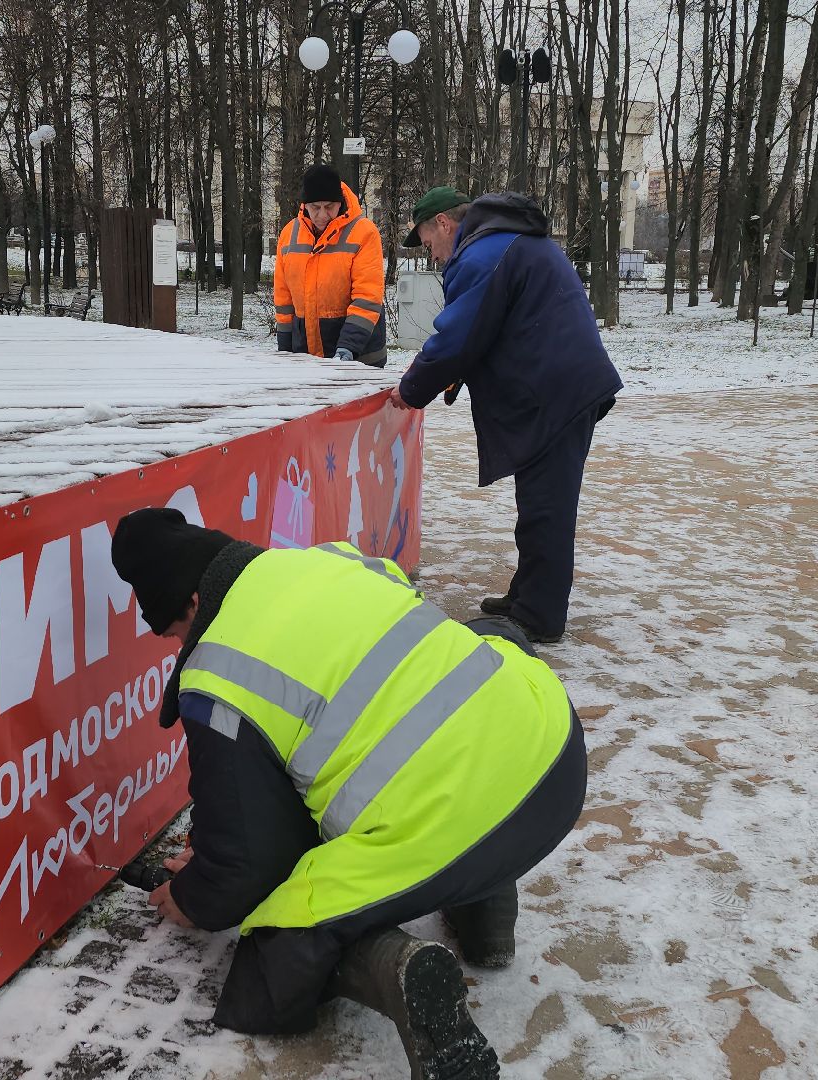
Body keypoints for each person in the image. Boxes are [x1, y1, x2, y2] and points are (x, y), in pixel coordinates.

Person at [110, 507, 587, 1080]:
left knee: (281, 927)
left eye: (172, 634)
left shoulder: (217, 674)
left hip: (460, 815)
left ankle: (397, 970)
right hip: (551, 751)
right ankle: (485, 908)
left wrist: (192, 897)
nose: (177, 649)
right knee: (450, 746)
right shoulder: (327, 559)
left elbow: (251, 864)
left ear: (190, 604)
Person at [389, 188, 623, 645]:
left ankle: (539, 616)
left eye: (428, 242)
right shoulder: (505, 243)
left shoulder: (483, 256)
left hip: (554, 390)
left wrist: (411, 388)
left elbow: (459, 337)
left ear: (443, 224)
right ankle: (527, 595)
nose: (433, 256)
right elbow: (491, 331)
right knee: (539, 501)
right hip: (557, 385)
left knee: (547, 508)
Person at [273, 164, 388, 367]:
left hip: (360, 358)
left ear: (340, 202)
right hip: (305, 355)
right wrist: (285, 347)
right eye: (315, 207)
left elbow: (367, 297)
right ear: (304, 205)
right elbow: (284, 299)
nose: (322, 215)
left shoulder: (364, 232)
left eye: (329, 207)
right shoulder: (289, 234)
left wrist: (348, 347)